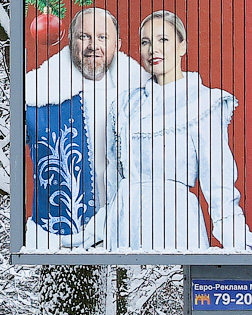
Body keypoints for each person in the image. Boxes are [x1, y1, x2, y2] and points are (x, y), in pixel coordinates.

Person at [106, 10, 252, 250]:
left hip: (174, 224)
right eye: (146, 42)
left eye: (163, 40)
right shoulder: (125, 105)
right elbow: (111, 178)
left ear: (182, 46)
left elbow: (220, 187)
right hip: (123, 225)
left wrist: (241, 249)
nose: (153, 49)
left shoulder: (203, 103)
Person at [25, 8, 147, 250]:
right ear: (71, 41)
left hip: (128, 235)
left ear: (117, 44)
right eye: (84, 37)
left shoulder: (144, 97)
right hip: (59, 241)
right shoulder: (36, 95)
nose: (93, 46)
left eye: (102, 37)